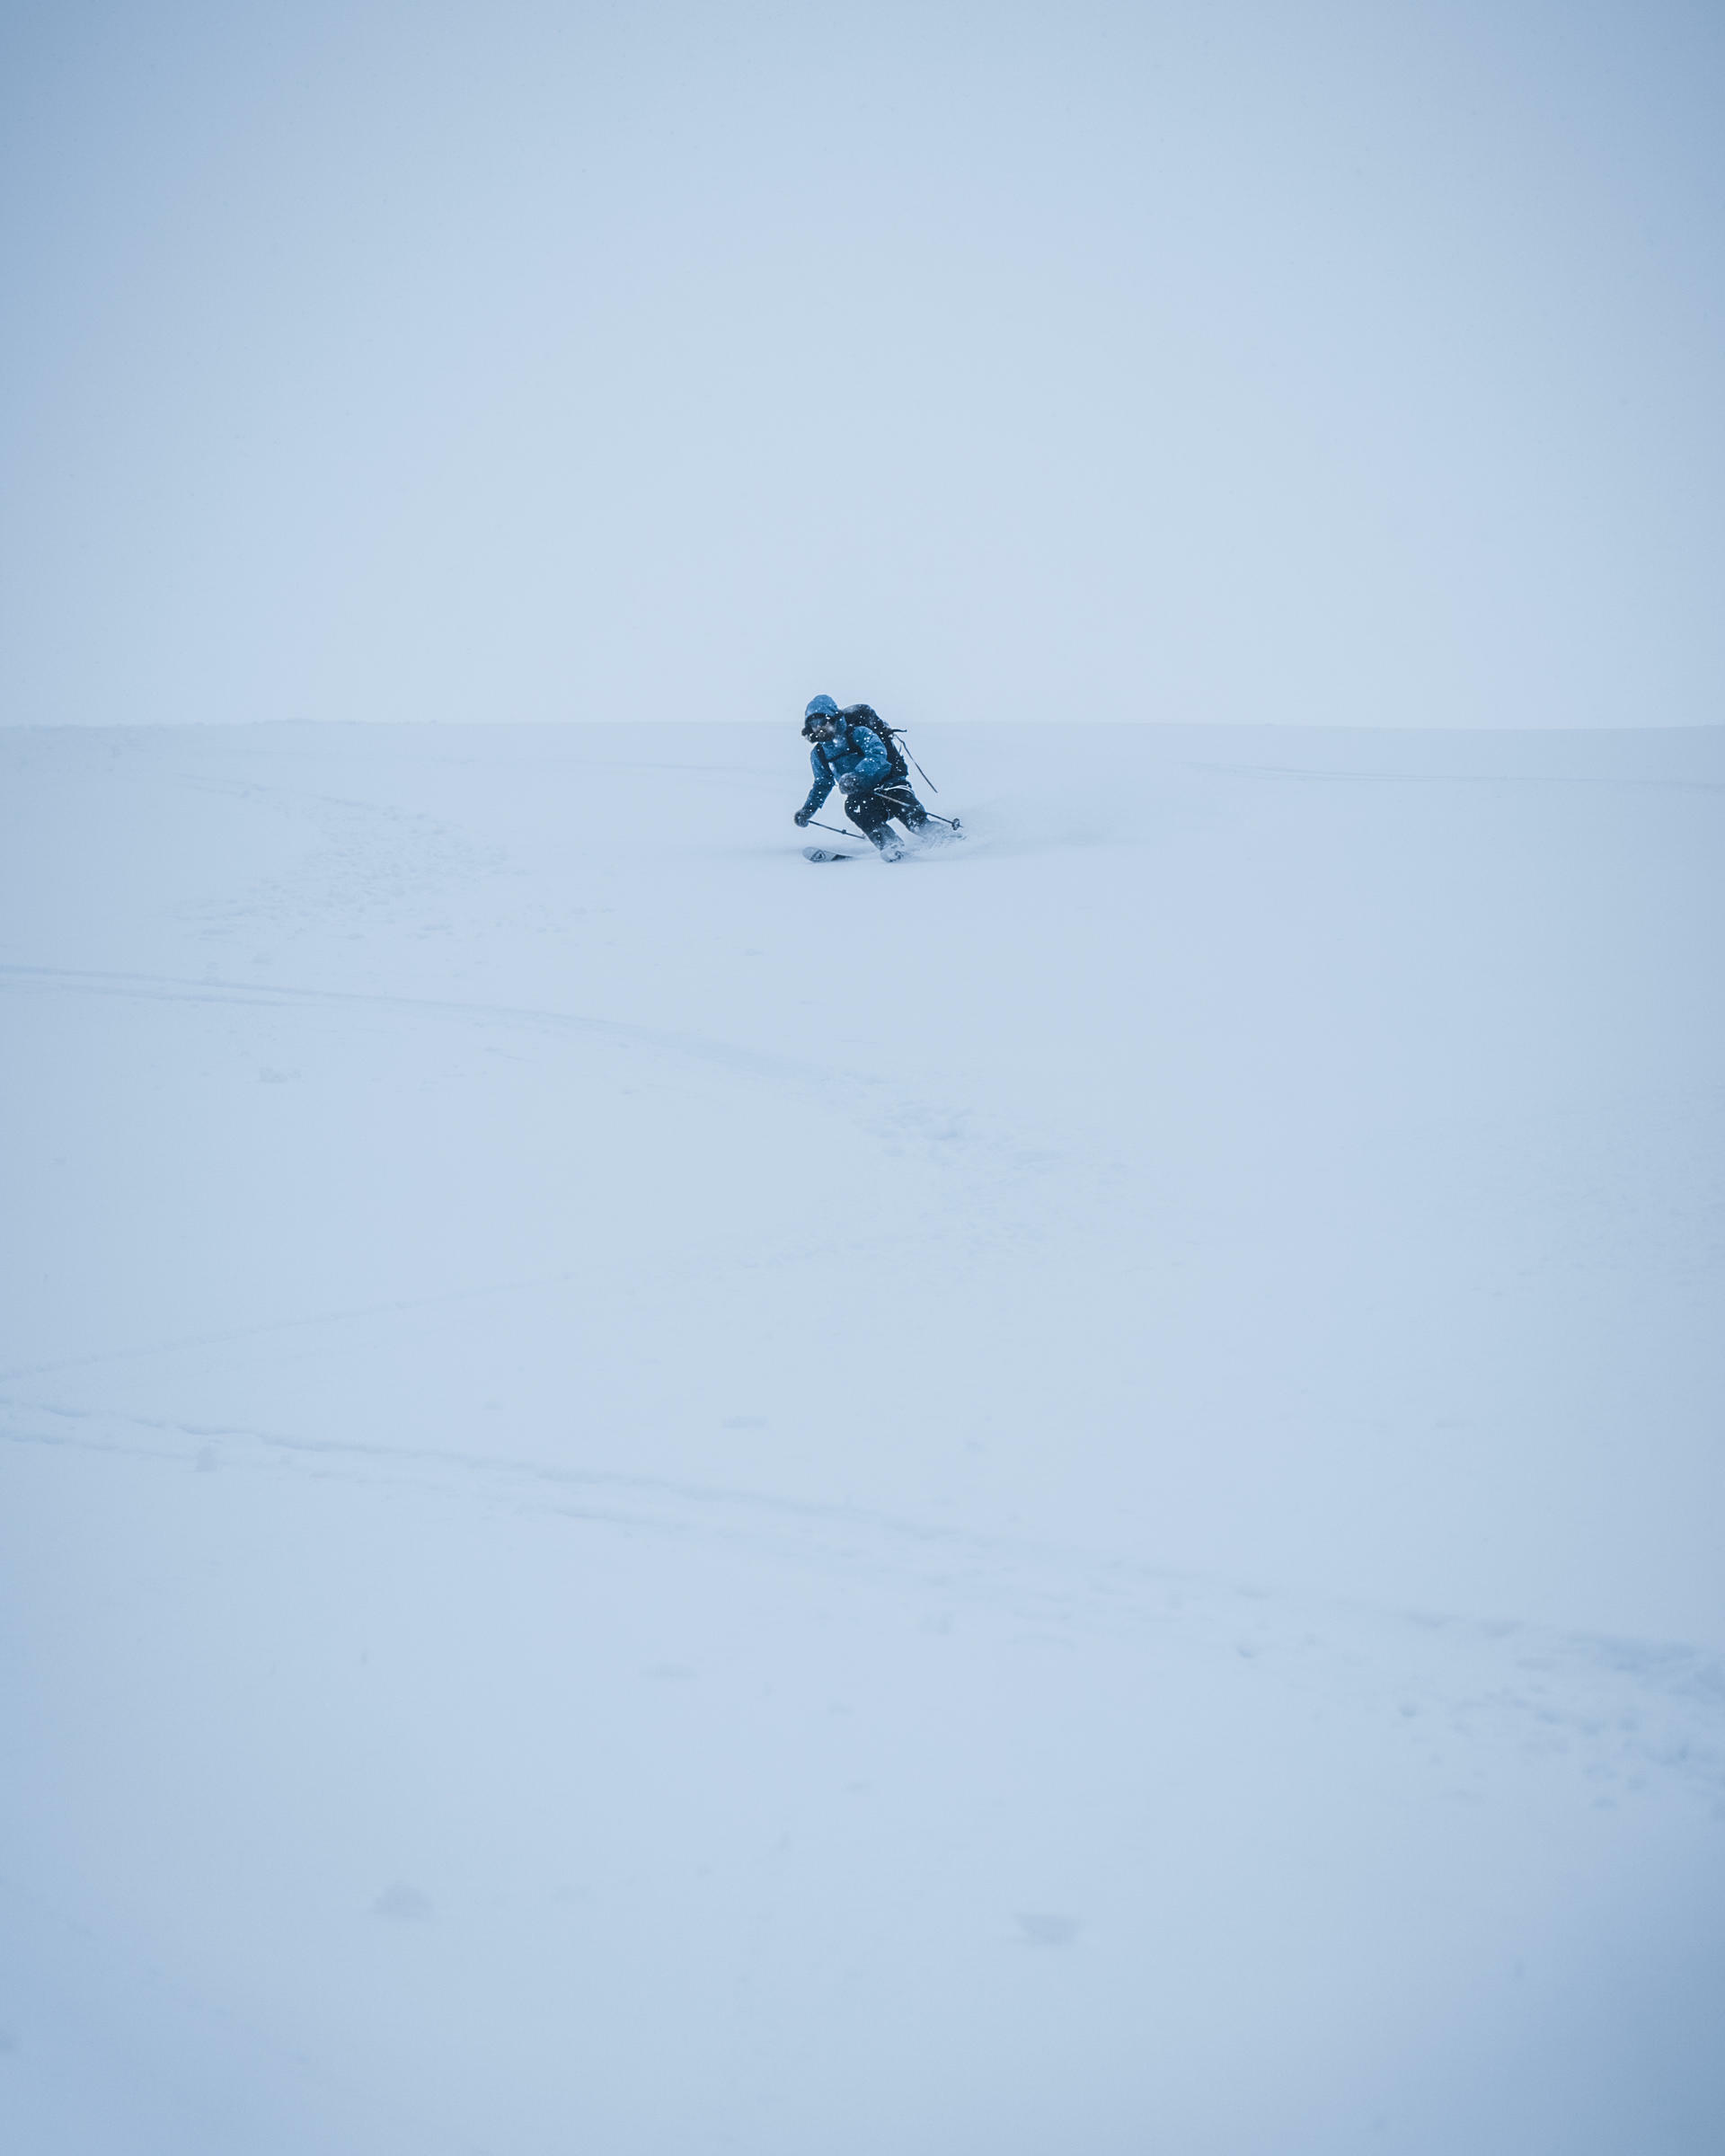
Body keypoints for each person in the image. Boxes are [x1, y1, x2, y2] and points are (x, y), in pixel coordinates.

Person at [792, 694, 933, 860]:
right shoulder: (819, 754)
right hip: (865, 797)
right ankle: (891, 846)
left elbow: (878, 753)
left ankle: (943, 837)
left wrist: (858, 774)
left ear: (835, 718)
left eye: (823, 721)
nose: (819, 728)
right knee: (853, 806)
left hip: (891, 784)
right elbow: (822, 784)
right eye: (813, 724)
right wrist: (808, 810)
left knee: (914, 821)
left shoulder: (859, 733)